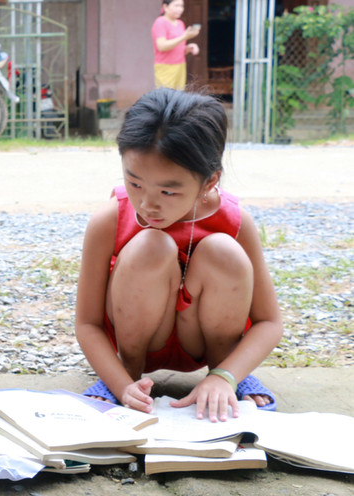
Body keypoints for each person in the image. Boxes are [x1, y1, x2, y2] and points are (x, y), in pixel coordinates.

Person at [74, 88, 283, 422]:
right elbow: (87, 323)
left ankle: (226, 372)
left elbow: (270, 322)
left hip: (203, 341)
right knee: (150, 245)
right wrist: (119, 383)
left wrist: (226, 375)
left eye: (168, 191)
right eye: (134, 182)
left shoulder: (235, 223)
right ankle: (126, 377)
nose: (147, 204)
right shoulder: (110, 220)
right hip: (137, 342)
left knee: (222, 251)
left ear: (209, 181)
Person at [151, 0, 200, 90]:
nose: (180, 9)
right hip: (165, 67)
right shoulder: (160, 22)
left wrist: (188, 48)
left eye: (182, 6)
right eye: (176, 6)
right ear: (165, 7)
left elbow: (178, 47)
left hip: (180, 66)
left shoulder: (180, 23)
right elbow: (162, 46)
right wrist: (184, 37)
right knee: (166, 99)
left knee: (178, 98)